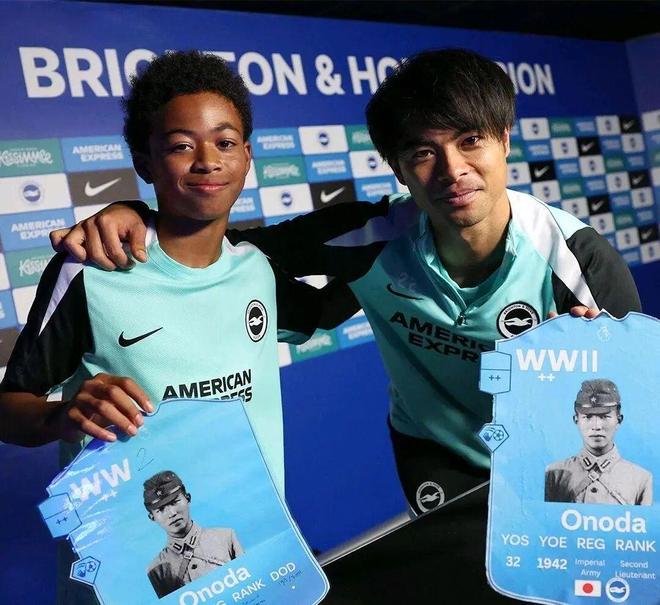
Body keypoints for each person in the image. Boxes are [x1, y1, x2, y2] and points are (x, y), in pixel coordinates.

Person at [52, 48, 642, 515]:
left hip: (551, 453)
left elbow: (637, 414)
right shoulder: (370, 237)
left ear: (504, 140)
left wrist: (601, 373)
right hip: (435, 452)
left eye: (470, 142)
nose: (453, 170)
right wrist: (134, 213)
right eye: (423, 152)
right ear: (398, 168)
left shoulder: (576, 261)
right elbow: (217, 242)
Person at [0, 50, 351, 605]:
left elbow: (321, 312)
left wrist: (405, 257)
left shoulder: (255, 269)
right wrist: (63, 416)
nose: (207, 161)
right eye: (181, 145)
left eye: (225, 142)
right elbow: (9, 407)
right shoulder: (92, 269)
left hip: (249, 561)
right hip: (130, 577)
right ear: (145, 162)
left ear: (248, 156)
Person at [545, 379, 652, 505]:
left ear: (619, 420)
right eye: (588, 417)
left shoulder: (641, 479)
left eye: (604, 416)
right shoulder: (554, 475)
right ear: (576, 420)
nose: (596, 426)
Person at [144, 471, 243, 598]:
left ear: (188, 498)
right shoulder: (156, 570)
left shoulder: (226, 537)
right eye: (161, 509)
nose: (172, 513)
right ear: (152, 517)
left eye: (175, 502)